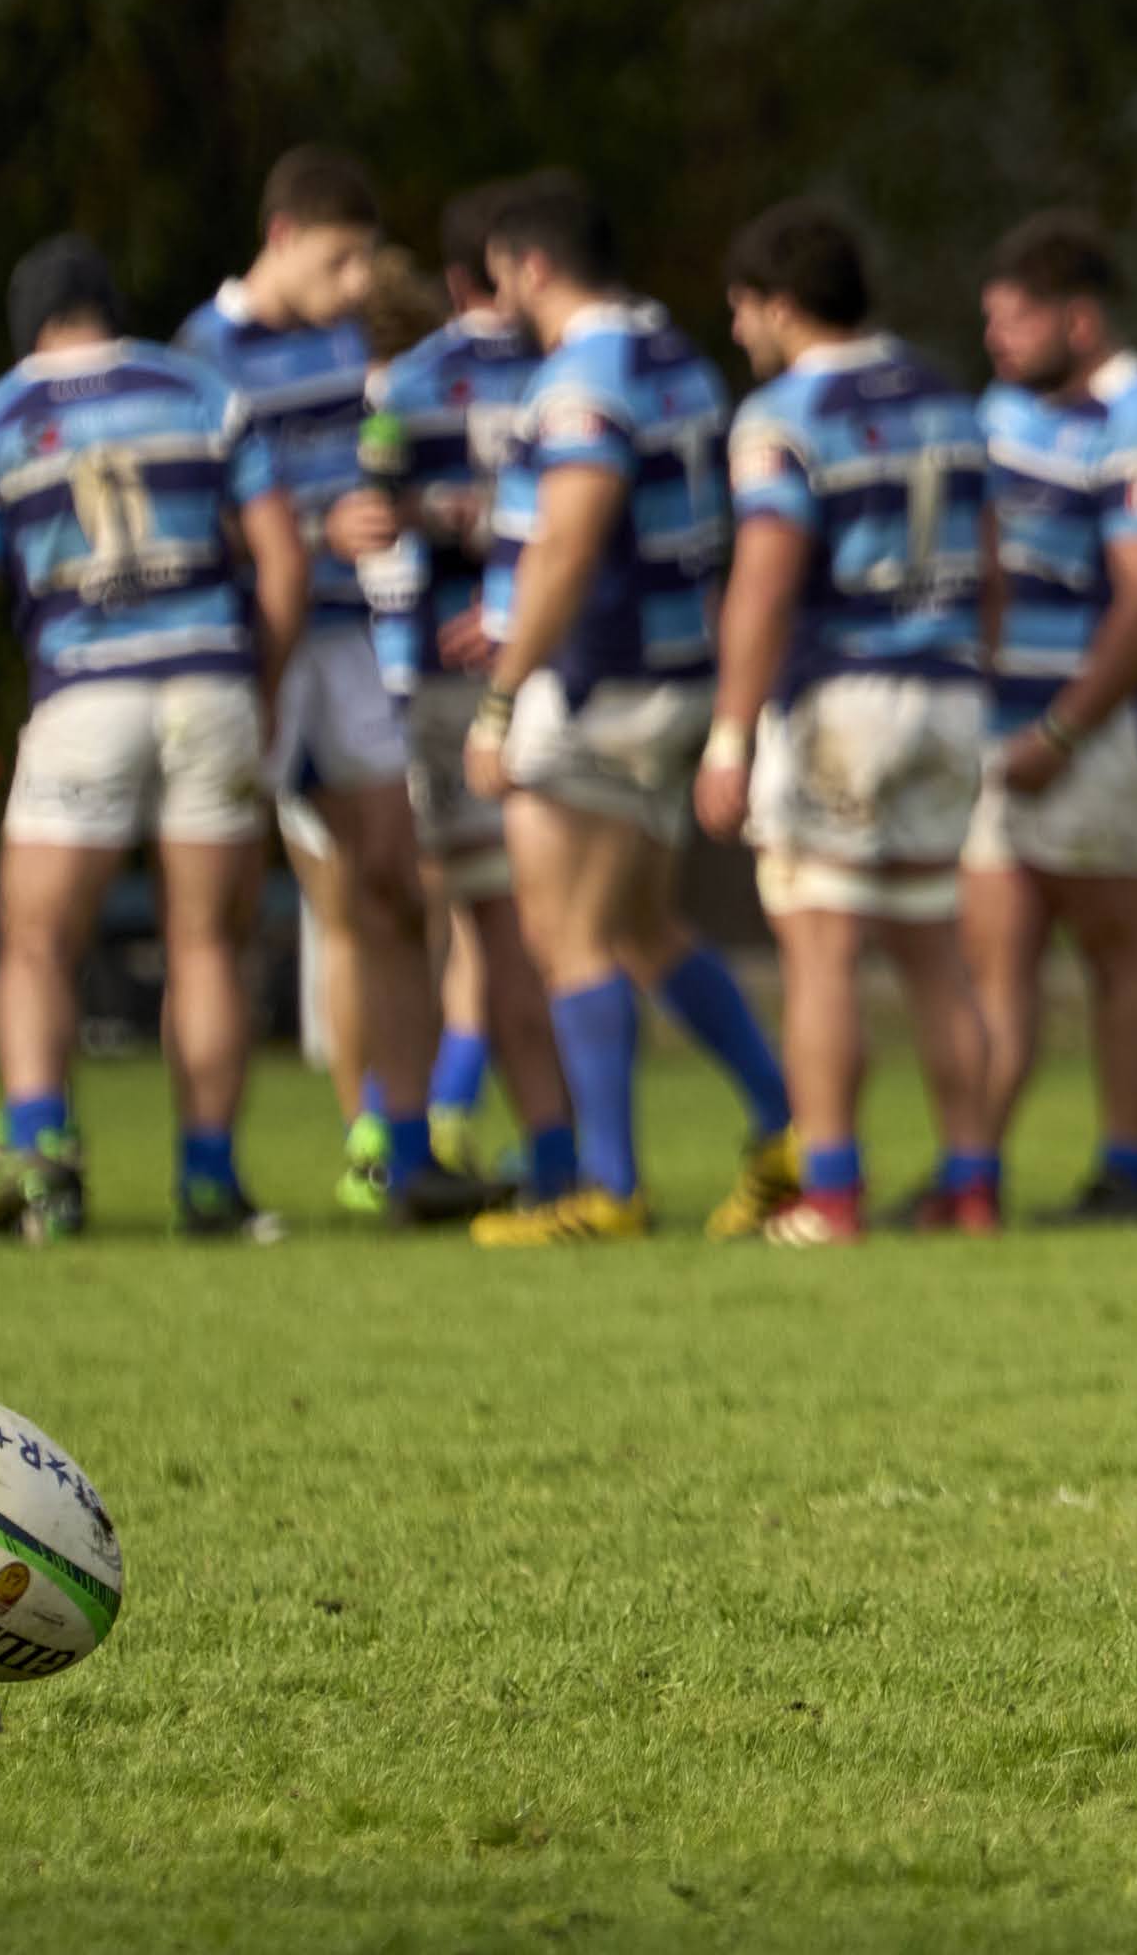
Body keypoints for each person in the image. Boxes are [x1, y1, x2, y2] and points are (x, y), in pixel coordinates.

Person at [0, 233, 313, 1243]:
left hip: (85, 695)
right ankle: (210, 1181)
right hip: (210, 687)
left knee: (39, 943)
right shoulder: (200, 390)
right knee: (208, 943)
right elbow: (283, 558)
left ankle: (43, 1167)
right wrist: (261, 683)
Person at [459, 172, 792, 1245]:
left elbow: (572, 534)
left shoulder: (582, 376)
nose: (497, 296)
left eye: (501, 274)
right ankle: (785, 1125)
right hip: (674, 672)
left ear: (532, 265)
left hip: (596, 685)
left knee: (569, 937)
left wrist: (501, 696)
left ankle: (609, 1187)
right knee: (644, 928)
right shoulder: (672, 356)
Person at [179, 147, 498, 1223]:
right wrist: (316, 531)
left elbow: (361, 473)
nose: (360, 282)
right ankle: (208, 1167)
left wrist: (388, 510)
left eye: (367, 260)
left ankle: (403, 1151)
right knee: (220, 910)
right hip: (252, 644)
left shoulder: (337, 339)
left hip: (348, 639)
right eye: (341, 259)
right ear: (280, 238)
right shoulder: (202, 354)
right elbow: (196, 520)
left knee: (395, 885)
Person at [691, 199, 1000, 1246]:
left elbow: (765, 577)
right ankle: (971, 1183)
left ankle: (831, 1191)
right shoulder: (949, 397)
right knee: (934, 951)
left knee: (820, 951)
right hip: (948, 690)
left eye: (743, 309)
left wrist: (730, 734)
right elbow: (990, 559)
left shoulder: (783, 414)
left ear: (779, 304)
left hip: (843, 697)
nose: (740, 331)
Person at [970, 211, 1137, 1226]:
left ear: (1079, 321)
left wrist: (1063, 732)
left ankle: (1124, 1169)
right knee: (995, 951)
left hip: (1111, 730)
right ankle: (970, 1172)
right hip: (1004, 725)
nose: (997, 339)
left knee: (1115, 946)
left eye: (1016, 320)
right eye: (991, 320)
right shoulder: (1002, 407)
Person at [364, 184, 575, 1196]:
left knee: (416, 920)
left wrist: (429, 513)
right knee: (535, 927)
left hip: (440, 674)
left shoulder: (404, 385)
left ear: (457, 280)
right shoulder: (570, 372)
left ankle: (403, 1142)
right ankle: (562, 1158)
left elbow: (370, 511)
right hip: (565, 668)